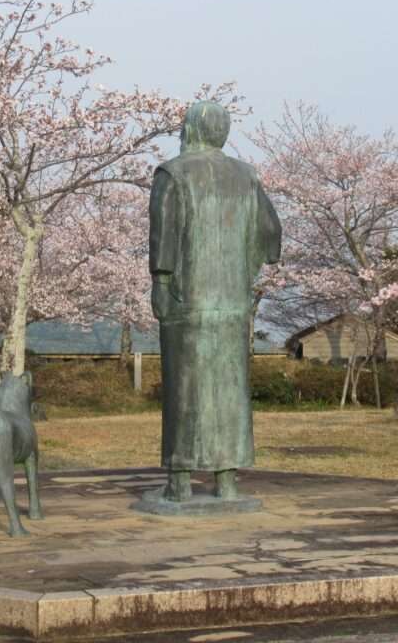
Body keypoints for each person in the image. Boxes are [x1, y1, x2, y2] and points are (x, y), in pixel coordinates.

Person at [149, 100, 281, 501]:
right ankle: (227, 480)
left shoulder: (173, 172)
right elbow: (271, 236)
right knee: (230, 390)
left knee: (185, 389)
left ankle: (180, 481)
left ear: (190, 129)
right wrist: (241, 269)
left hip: (186, 299)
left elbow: (164, 235)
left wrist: (161, 282)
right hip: (232, 303)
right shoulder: (246, 176)